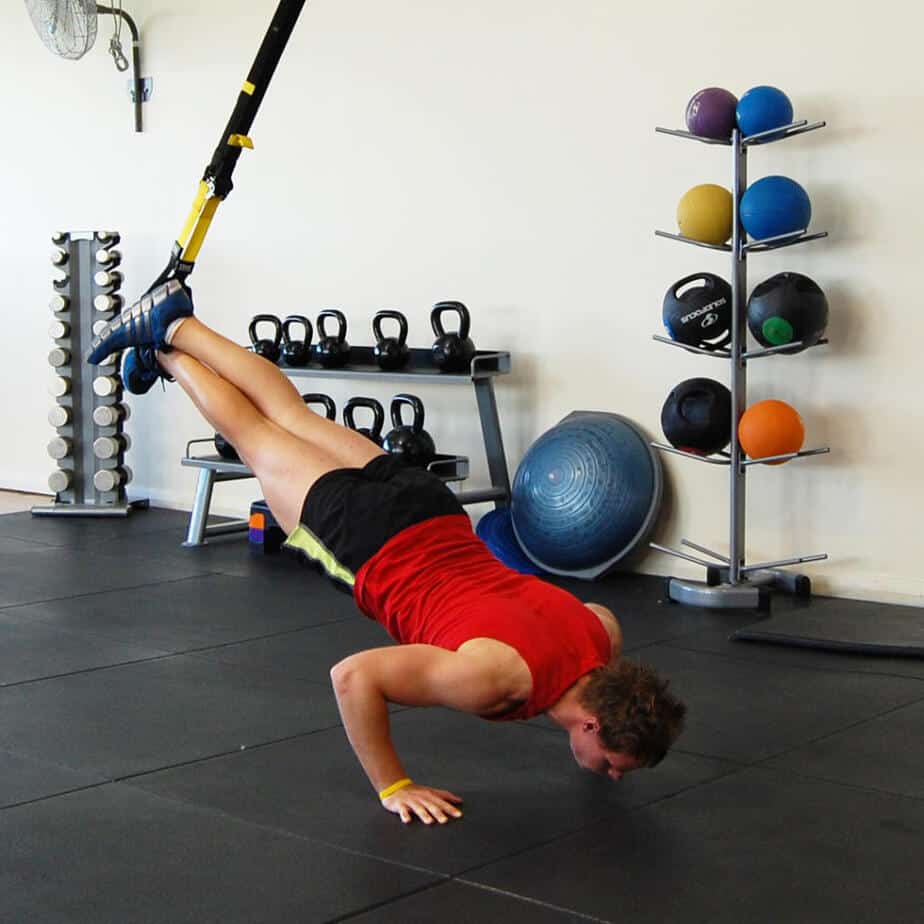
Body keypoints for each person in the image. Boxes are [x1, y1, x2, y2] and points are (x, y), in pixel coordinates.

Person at [87, 281, 687, 826]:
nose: (609, 774)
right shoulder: (495, 681)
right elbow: (353, 677)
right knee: (253, 435)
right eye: (613, 762)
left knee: (292, 414)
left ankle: (178, 326)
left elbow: (583, 623)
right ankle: (164, 346)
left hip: (431, 509)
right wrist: (394, 784)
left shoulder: (600, 633)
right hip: (363, 539)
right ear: (591, 724)